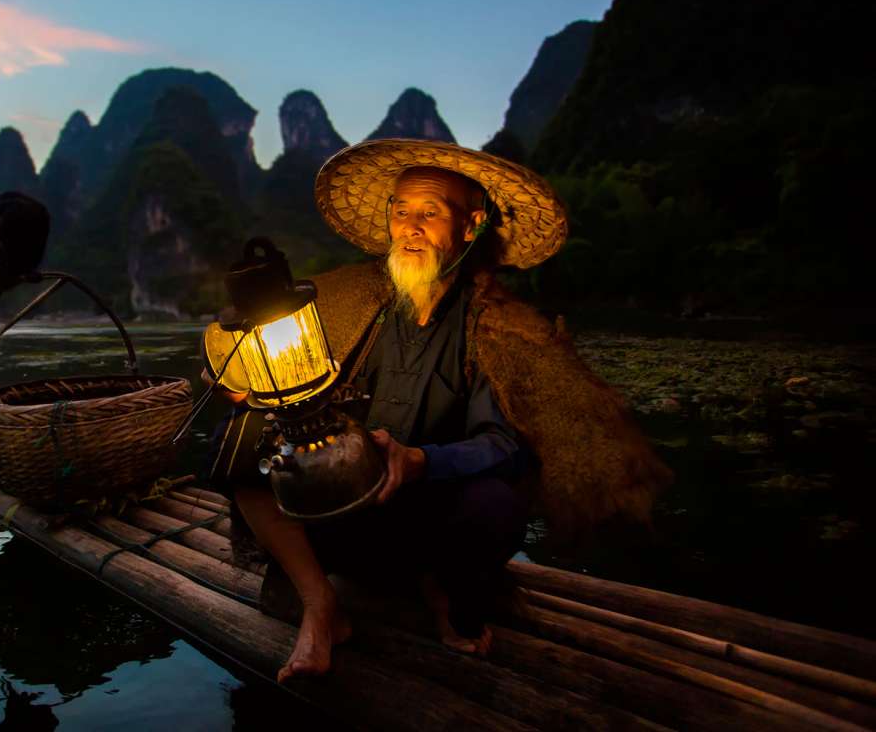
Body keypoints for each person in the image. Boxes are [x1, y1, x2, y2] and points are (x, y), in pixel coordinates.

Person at [203, 138, 671, 684]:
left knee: (496, 499)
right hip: (350, 502)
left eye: (430, 212)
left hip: (430, 519)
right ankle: (319, 602)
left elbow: (504, 442)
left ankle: (441, 587)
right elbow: (285, 371)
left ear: (471, 226)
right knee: (237, 441)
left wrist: (422, 460)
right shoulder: (361, 303)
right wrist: (256, 387)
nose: (411, 227)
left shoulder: (497, 328)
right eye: (401, 212)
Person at [0, 191, 51, 288]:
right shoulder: (13, 210)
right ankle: (22, 273)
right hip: (40, 225)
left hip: (21, 223)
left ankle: (7, 281)